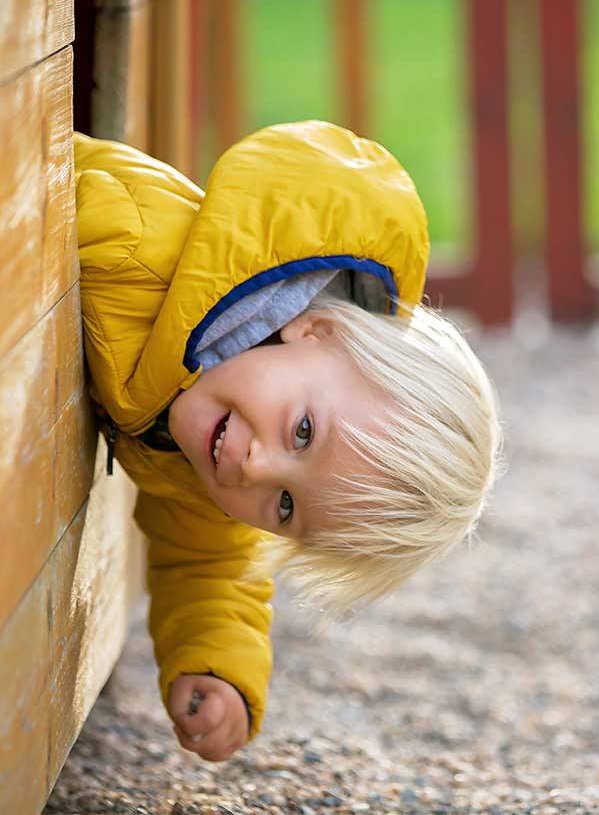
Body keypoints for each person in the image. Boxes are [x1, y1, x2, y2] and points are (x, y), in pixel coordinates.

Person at [74, 121, 502, 762]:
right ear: (316, 331)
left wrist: (214, 668)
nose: (256, 468)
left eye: (285, 508)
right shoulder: (135, 244)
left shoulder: (213, 445)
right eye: (303, 432)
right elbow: (2, 194)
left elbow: (211, 562)